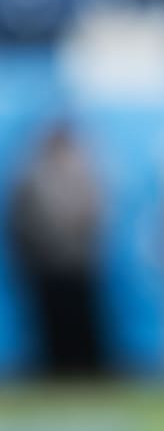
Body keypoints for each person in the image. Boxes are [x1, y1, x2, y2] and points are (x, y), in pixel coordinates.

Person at [6, 119, 108, 378]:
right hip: (46, 264)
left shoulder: (83, 170)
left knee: (81, 322)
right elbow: (21, 219)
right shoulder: (32, 174)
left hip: (77, 263)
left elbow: (93, 214)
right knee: (51, 323)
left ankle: (85, 372)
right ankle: (55, 371)